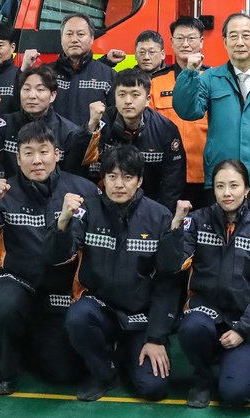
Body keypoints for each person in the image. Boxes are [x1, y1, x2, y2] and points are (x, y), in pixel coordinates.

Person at [0, 121, 100, 395]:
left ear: (57, 154)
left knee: (64, 372)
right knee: (2, 307)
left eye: (44, 152)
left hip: (61, 290)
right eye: (28, 153)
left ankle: (31, 342)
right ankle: (5, 369)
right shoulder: (3, 193)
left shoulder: (83, 191)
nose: (37, 160)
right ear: (18, 157)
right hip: (17, 281)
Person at [54, 146, 181, 402]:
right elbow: (58, 256)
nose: (119, 185)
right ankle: (104, 372)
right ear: (103, 179)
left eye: (127, 177)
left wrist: (156, 338)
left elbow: (168, 283)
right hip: (101, 310)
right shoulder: (87, 212)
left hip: (141, 319)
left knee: (153, 389)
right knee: (77, 318)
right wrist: (62, 223)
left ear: (140, 180)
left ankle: (126, 351)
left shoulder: (159, 217)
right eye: (112, 177)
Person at [168, 160, 250, 409]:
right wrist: (175, 226)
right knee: (191, 327)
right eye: (220, 186)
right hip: (205, 313)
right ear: (213, 189)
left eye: (234, 185)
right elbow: (173, 265)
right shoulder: (196, 222)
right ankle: (202, 377)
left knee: (236, 395)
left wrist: (244, 330)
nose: (227, 193)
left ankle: (242, 356)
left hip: (244, 320)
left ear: (247, 189)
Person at [173, 12, 250, 223]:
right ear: (224, 41)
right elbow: (187, 111)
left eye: (246, 35)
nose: (240, 42)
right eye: (233, 36)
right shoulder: (210, 79)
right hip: (221, 182)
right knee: (218, 246)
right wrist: (190, 74)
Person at [92, 68, 185, 209]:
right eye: (121, 94)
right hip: (107, 204)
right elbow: (87, 169)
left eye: (135, 95)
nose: (128, 101)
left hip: (151, 207)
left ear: (148, 100)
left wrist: (160, 216)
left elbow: (172, 183)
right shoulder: (100, 124)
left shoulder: (165, 129)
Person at [0, 65, 97, 180]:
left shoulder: (69, 132)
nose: (32, 96)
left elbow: (73, 177)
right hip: (12, 193)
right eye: (26, 89)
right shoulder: (5, 124)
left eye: (40, 90)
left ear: (52, 96)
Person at [150, 17, 211, 208]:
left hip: (204, 175)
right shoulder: (156, 82)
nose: (185, 44)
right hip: (165, 175)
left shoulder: (213, 80)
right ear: (171, 42)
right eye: (179, 38)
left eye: (191, 38)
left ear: (201, 42)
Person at [50, 13, 119, 128]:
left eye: (80, 34)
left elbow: (115, 119)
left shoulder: (108, 76)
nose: (74, 40)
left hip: (93, 143)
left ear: (92, 39)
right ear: (61, 38)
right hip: (52, 143)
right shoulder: (46, 74)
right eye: (69, 34)